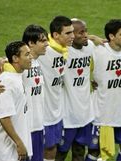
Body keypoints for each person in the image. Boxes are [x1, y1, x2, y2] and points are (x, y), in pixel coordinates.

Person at [0, 25, 49, 161]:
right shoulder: (10, 66)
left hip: (37, 123)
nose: (47, 44)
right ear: (31, 43)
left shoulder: (35, 61)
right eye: (43, 40)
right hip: (25, 125)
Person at [86, 19, 121, 161]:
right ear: (111, 37)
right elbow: (73, 41)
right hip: (102, 114)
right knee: (95, 151)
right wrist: (92, 37)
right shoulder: (97, 51)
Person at [55, 18, 98, 161]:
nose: (85, 35)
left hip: (85, 113)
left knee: (79, 152)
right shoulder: (62, 52)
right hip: (66, 115)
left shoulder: (90, 47)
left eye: (86, 31)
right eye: (81, 32)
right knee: (60, 154)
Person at [37, 15, 74, 161]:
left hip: (57, 113)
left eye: (72, 32)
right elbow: (19, 54)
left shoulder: (64, 49)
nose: (73, 36)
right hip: (42, 114)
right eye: (68, 33)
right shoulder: (44, 50)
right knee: (41, 150)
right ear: (55, 35)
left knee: (52, 149)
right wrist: (2, 60)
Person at [0, 41, 33, 161]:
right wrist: (19, 143)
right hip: (7, 151)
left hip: (16, 147)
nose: (31, 57)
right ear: (15, 58)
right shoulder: (7, 82)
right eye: (27, 54)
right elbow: (4, 117)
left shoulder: (17, 75)